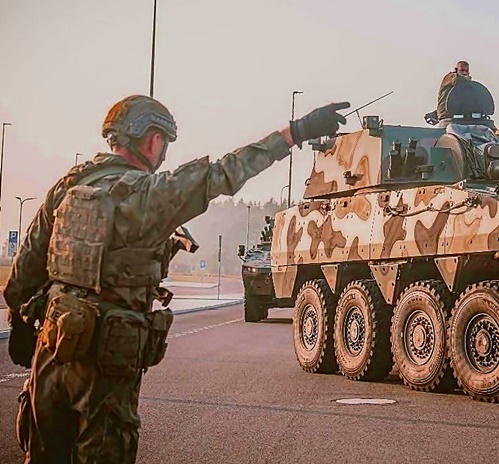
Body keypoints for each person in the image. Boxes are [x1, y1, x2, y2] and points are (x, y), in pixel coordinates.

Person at [5, 94, 349, 463]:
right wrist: (296, 132)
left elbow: (24, 272)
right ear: (153, 140)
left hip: (52, 349)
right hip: (105, 362)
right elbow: (227, 172)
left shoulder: (66, 188)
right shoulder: (152, 194)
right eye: (164, 144)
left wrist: (24, 325)